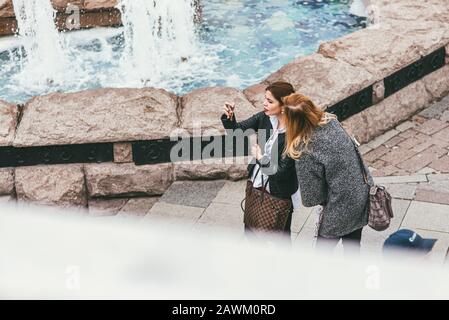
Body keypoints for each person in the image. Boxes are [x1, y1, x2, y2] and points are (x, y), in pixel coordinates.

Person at [282, 93, 373, 252]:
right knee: (353, 248)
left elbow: (311, 198)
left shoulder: (305, 147)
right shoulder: (331, 121)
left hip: (340, 207)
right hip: (362, 192)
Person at [221, 81, 299, 237]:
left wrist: (260, 158)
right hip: (257, 183)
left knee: (279, 237)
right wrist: (229, 118)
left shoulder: (294, 134)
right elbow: (237, 131)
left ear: (283, 106)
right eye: (265, 99)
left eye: (270, 101)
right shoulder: (264, 118)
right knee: (250, 229)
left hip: (279, 191)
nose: (264, 103)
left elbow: (281, 173)